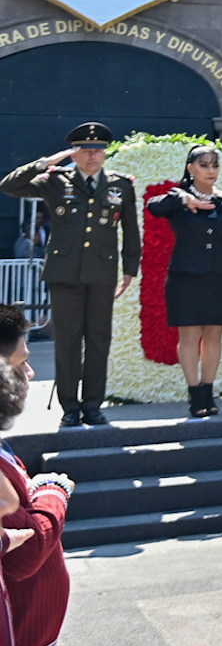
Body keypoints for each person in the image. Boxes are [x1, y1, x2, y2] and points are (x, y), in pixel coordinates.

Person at [1, 123, 138, 428]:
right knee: (67, 340)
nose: (93, 156)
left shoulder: (121, 185)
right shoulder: (55, 180)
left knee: (99, 339)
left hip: (102, 272)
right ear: (73, 154)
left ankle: (93, 405)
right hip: (65, 273)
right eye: (86, 151)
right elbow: (10, 185)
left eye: (98, 150)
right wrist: (46, 162)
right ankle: (70, 407)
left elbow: (131, 230)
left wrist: (130, 269)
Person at [147, 145, 222, 419]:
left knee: (214, 335)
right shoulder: (177, 200)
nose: (211, 171)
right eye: (204, 165)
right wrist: (182, 198)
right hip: (185, 276)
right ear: (190, 168)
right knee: (189, 335)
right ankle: (194, 393)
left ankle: (208, 391)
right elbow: (154, 207)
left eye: (215, 165)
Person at [0, 304, 69, 646]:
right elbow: (24, 553)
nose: (30, 373)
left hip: (29, 637)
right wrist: (54, 492)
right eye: (21, 363)